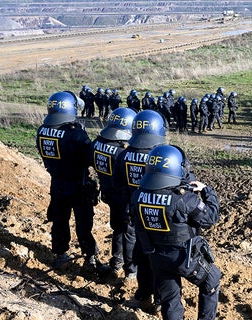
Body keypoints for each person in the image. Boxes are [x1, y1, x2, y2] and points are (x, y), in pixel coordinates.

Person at [130, 145, 221, 320]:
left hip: (156, 257)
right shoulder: (183, 198)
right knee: (212, 279)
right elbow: (210, 218)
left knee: (170, 300)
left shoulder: (137, 195)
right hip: (183, 258)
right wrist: (206, 191)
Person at [36, 91, 110, 274]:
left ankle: (60, 255)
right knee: (83, 224)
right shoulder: (75, 133)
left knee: (60, 220)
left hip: (57, 184)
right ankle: (90, 258)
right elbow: (89, 157)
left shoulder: (42, 130)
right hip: (78, 185)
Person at [112, 109, 168, 311]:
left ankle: (143, 295)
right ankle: (160, 301)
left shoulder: (123, 155)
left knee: (142, 255)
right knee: (160, 259)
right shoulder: (164, 157)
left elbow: (117, 186)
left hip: (136, 214)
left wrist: (129, 207)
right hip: (159, 217)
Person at [91, 107, 137, 276]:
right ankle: (131, 271)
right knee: (130, 233)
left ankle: (116, 262)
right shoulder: (123, 150)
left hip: (108, 194)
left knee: (118, 229)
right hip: (125, 197)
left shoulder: (97, 143)